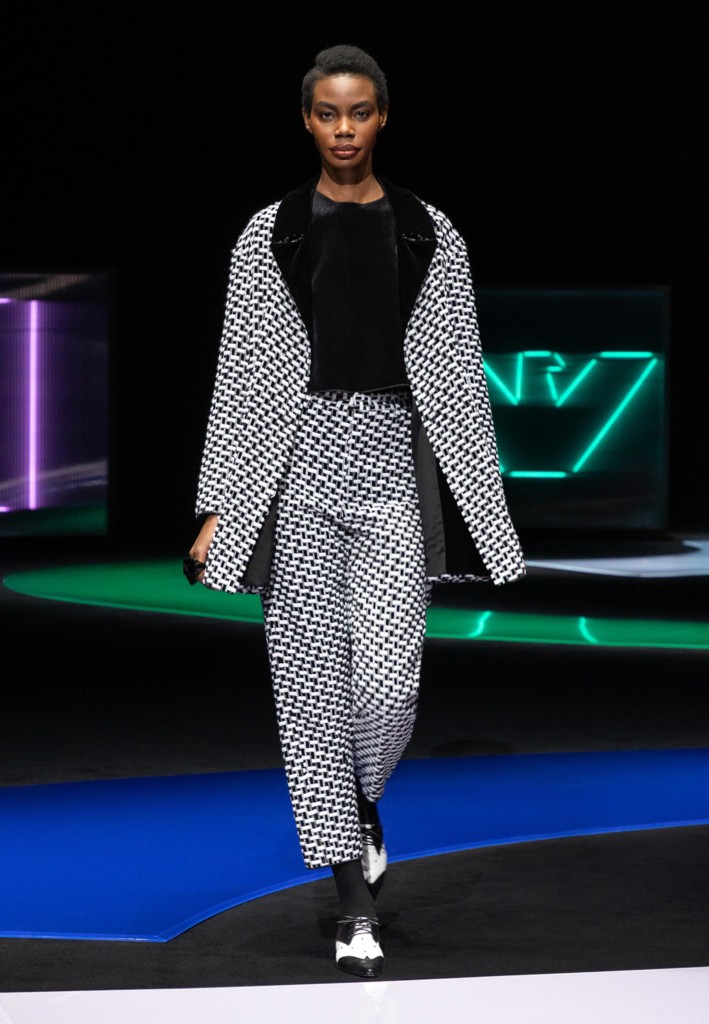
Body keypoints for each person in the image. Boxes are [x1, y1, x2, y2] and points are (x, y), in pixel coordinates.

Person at [189, 43, 525, 978]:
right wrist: (217, 504)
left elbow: (456, 372)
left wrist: (478, 499)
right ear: (307, 120)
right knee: (308, 695)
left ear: (383, 117)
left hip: (388, 467)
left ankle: (360, 803)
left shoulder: (425, 230)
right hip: (294, 466)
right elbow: (238, 375)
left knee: (387, 687)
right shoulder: (269, 232)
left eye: (360, 112)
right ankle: (351, 908)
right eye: (328, 113)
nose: (344, 129)